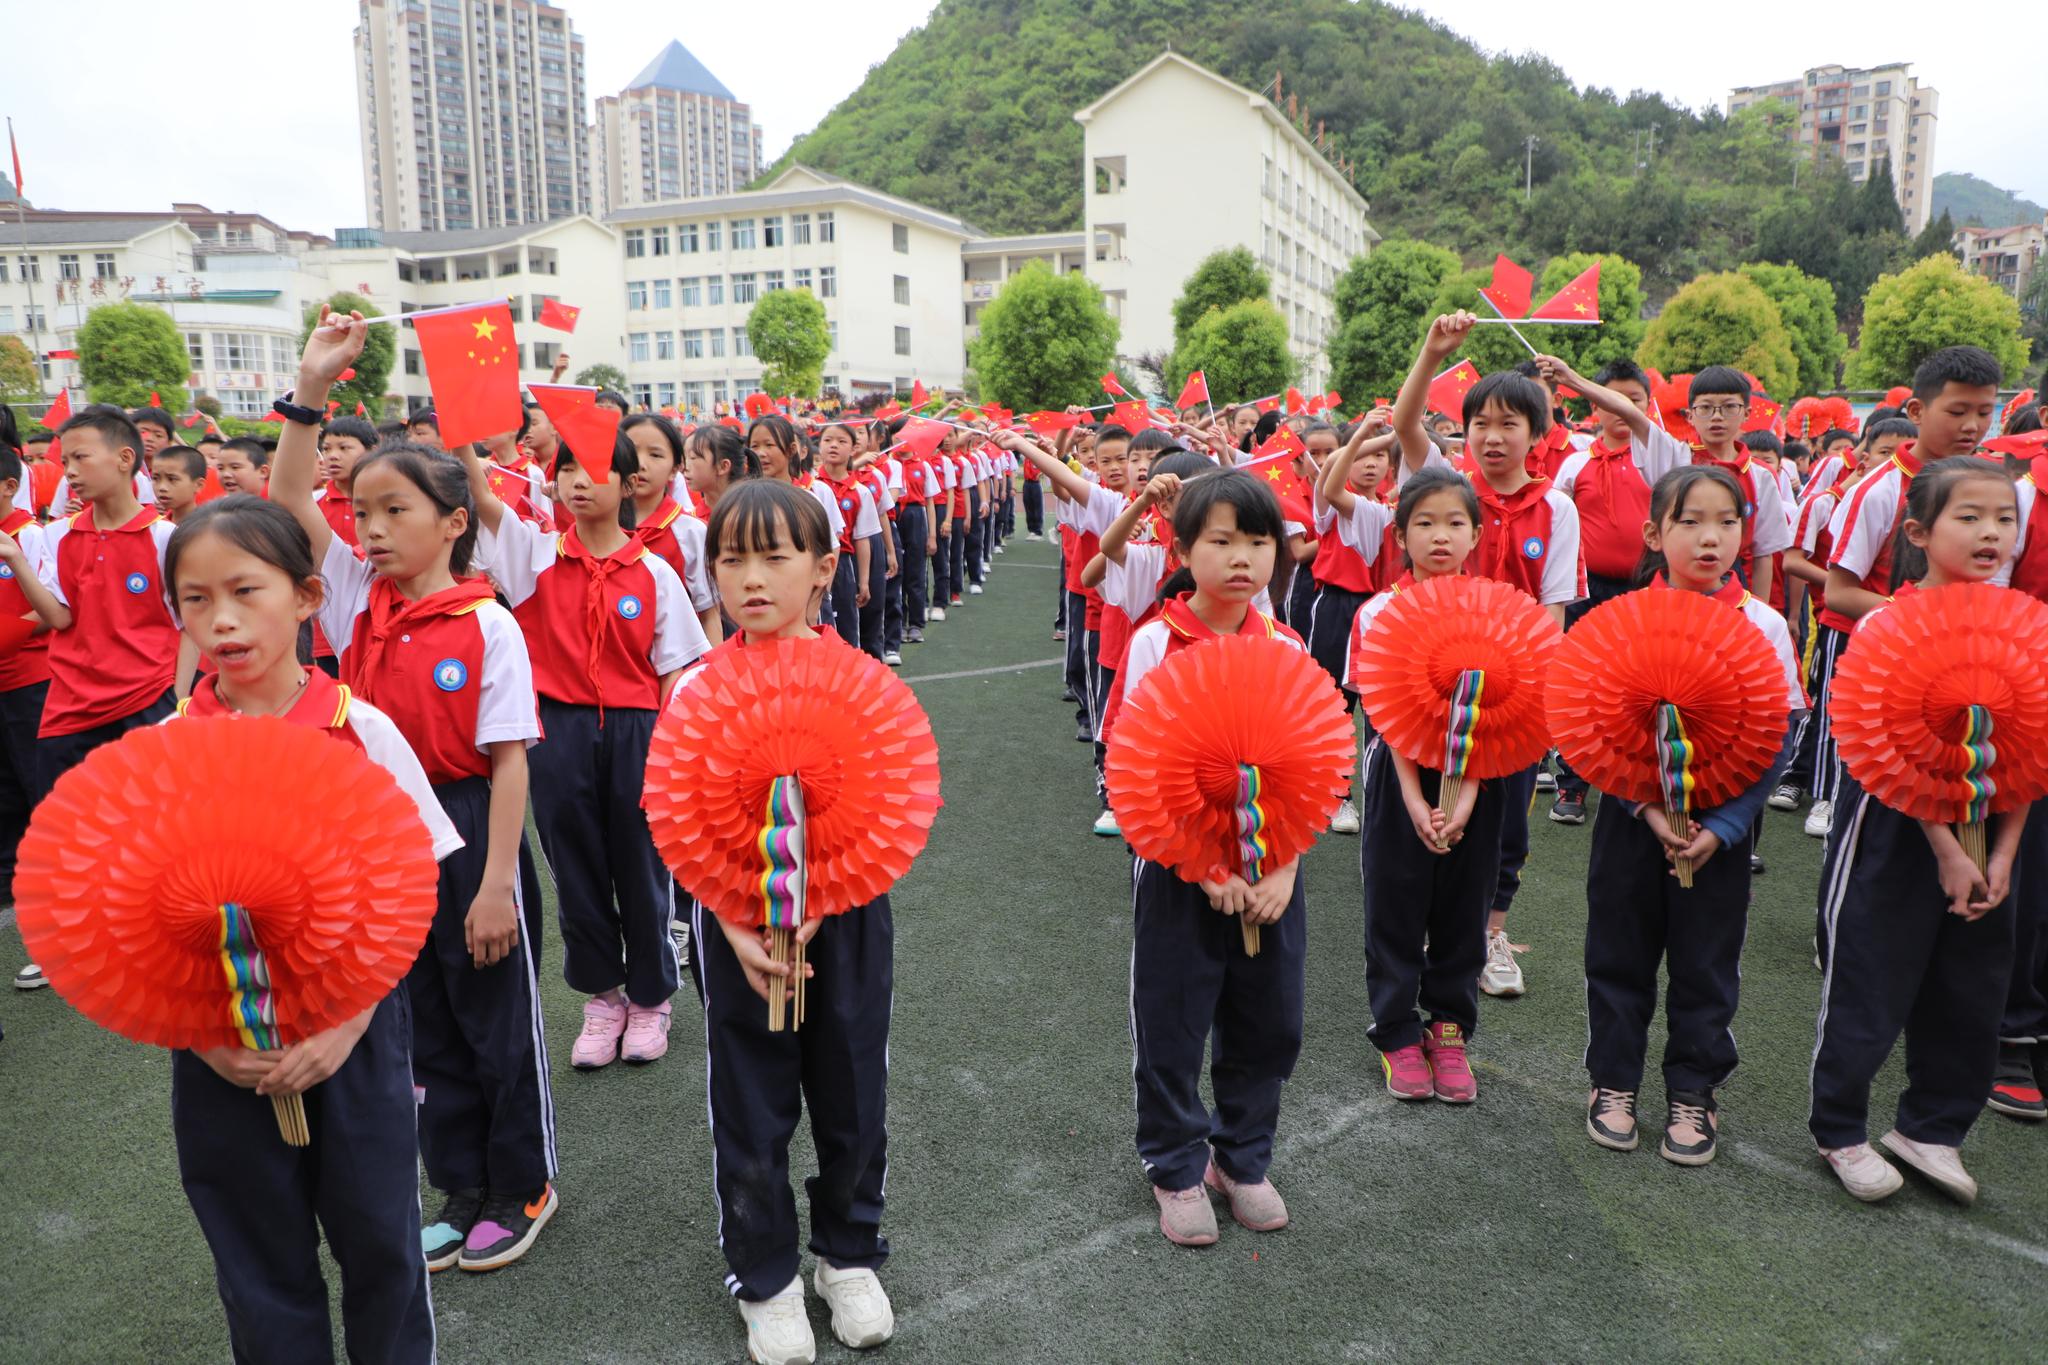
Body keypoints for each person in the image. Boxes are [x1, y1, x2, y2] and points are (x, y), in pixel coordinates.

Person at [273, 306, 558, 1272]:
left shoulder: (490, 626)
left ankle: (522, 1181)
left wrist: (494, 886)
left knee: (493, 1019)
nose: (374, 528)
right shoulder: (355, 594)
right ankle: (460, 1184)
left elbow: (511, 758)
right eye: (363, 512)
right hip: (383, 831)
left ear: (454, 521)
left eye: (398, 511)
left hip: (472, 827)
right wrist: (311, 391)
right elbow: (284, 509)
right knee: (422, 1023)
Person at [163, 494, 463, 1363]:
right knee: (258, 1259)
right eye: (195, 599)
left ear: (304, 598)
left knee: (381, 1241)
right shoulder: (166, 751)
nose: (221, 620)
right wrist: (203, 1035)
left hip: (353, 1038)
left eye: (245, 591)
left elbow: (408, 890)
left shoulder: (360, 731)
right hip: (220, 1049)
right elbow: (135, 914)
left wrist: (348, 1023)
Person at [676, 480, 898, 1365]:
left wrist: (826, 903)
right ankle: (763, 1276)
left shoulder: (863, 682)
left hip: (843, 921)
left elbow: (888, 810)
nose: (752, 578)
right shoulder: (698, 686)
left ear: (824, 568)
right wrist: (734, 921)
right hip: (734, 925)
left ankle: (847, 1254)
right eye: (732, 559)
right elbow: (680, 819)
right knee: (751, 1101)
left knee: (852, 1091)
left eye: (776, 556)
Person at [464, 403, 709, 1070]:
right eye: (565, 467)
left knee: (641, 867)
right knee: (574, 870)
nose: (576, 481)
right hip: (559, 732)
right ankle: (603, 998)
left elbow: (675, 671)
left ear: (629, 485)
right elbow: (483, 501)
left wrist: (666, 755)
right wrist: (463, 437)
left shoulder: (654, 572)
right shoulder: (534, 556)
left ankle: (652, 996)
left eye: (594, 470)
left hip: (636, 733)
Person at [1811, 457, 2027, 1204]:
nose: (1990, 532)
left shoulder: (2022, 626)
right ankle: (1839, 1127)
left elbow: (2028, 754)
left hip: (1990, 828)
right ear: (1918, 532)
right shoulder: (1888, 624)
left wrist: (2000, 852)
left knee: (1973, 983)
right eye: (1968, 517)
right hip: (1894, 830)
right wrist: (1946, 849)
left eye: (2004, 517)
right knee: (1872, 975)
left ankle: (1932, 1127)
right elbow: (1886, 747)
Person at [1582, 467, 1802, 1166]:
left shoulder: (1762, 624)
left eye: (1728, 522)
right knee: (1619, 953)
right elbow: (1595, 731)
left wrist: (1727, 826)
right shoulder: (1619, 622)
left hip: (1720, 832)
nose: (1711, 538)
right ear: (1654, 533)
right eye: (1690, 522)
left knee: (1707, 965)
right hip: (1632, 820)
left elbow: (1781, 735)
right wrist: (1644, 806)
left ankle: (1693, 1090)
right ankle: (1613, 1082)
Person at [1116, 469, 1306, 1249]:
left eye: (1257, 542)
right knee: (1174, 1018)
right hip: (1178, 871)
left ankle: (1244, 1156)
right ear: (1183, 547)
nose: (1241, 559)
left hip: (1272, 871)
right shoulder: (1156, 641)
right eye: (1221, 541)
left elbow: (1311, 768)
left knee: (1270, 1021)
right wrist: (1203, 867)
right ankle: (1174, 1163)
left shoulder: (1288, 644)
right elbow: (1134, 771)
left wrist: (1284, 868)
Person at [1393, 313, 1584, 999]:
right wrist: (1432, 349)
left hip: (1513, 691)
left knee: (1503, 820)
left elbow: (1554, 609)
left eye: (1510, 423)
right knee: (1424, 803)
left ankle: (1489, 931)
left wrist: (1537, 696)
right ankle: (1424, 927)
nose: (1493, 436)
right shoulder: (1449, 486)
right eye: (1480, 423)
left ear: (1538, 435)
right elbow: (1406, 421)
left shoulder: (1557, 508)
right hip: (1429, 676)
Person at [2, 405, 197, 990]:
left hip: (149, 700)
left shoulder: (167, 537)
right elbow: (59, 616)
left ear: (124, 458)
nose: (69, 471)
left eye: (80, 457)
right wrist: (15, 560)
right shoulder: (56, 535)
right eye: (64, 461)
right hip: (70, 703)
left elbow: (187, 623)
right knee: (66, 828)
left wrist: (179, 699)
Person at [1347, 466, 1507, 1104]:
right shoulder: (1379, 613)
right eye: (1424, 523)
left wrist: (1465, 797)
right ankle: (1395, 1031)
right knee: (1397, 901)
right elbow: (1384, 715)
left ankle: (1448, 1024)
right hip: (1399, 773)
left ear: (1476, 534)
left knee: (1464, 905)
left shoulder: (1496, 611)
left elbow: (1503, 716)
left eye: (1455, 523)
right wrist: (1416, 799)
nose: (1440, 536)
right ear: (1399, 533)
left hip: (1482, 774)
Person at [1538, 356, 1692, 826]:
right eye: (1612, 400)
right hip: (1587, 589)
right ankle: (1572, 781)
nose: (1622, 409)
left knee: (1642, 687)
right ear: (1594, 407)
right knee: (1583, 685)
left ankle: (1637, 785)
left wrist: (1574, 379)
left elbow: (1637, 421)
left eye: (1634, 400)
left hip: (1647, 587)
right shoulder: (1576, 462)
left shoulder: (1662, 452)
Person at [1778, 419, 1914, 833]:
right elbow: (1797, 564)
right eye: (1884, 452)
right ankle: (1821, 793)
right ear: (1864, 455)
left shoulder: (1938, 492)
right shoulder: (1842, 498)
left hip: (1900, 629)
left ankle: (1815, 782)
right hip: (1844, 622)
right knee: (1831, 710)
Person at [1682, 368, 1793, 608]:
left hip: (1736, 582)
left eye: (1730, 407)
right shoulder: (1676, 462)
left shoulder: (1760, 476)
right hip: (1680, 579)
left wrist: (1759, 612)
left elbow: (1764, 553)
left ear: (1747, 414)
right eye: (1706, 407)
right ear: (1690, 415)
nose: (1717, 417)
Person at [0, 446, 50, 916]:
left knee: (37, 787)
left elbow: (49, 609)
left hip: (30, 682)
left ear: (9, 487)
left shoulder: (31, 536)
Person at [622, 414, 722, 645]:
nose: (641, 464)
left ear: (675, 469)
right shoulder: (597, 526)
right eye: (631, 451)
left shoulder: (691, 532)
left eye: (655, 455)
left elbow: (709, 614)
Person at [815, 420, 881, 651]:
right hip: (811, 564)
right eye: (827, 440)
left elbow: (862, 538)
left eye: (841, 441)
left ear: (853, 448)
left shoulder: (860, 491)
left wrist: (864, 581)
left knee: (847, 627)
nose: (833, 446)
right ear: (818, 446)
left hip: (843, 564)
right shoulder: (811, 487)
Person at [150, 445, 208, 523]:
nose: (162, 487)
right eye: (155, 478)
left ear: (198, 485)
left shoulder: (207, 527)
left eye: (172, 479)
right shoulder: (156, 526)